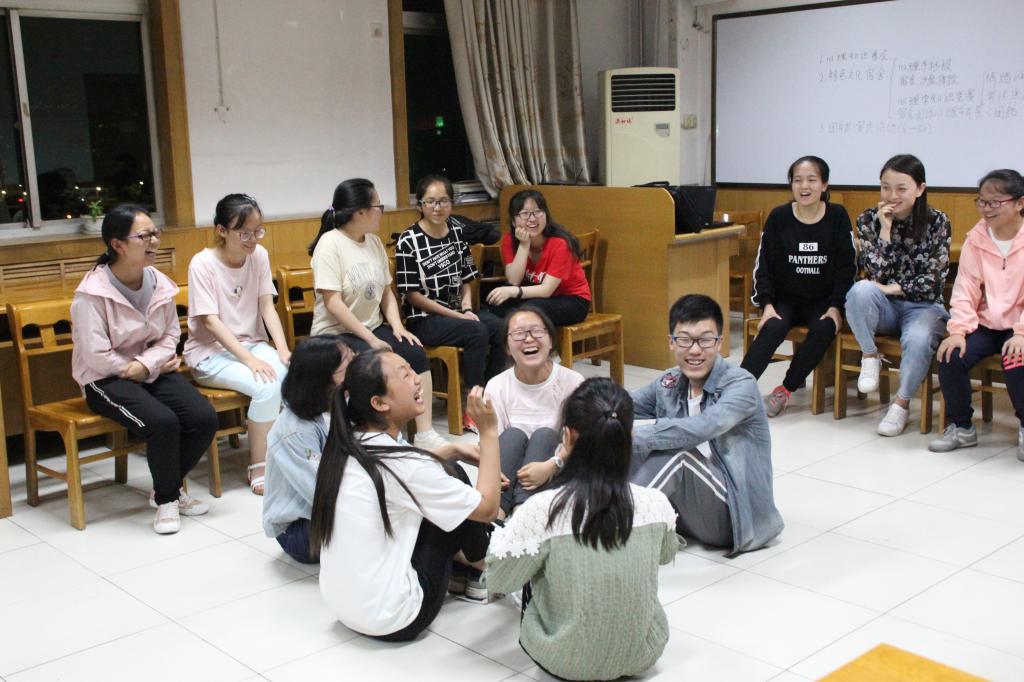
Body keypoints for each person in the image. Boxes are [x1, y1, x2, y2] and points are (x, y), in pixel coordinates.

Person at [486, 377, 678, 681]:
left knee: (531, 561)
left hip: (563, 660)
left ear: (567, 436)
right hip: (643, 653)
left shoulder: (543, 509)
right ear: (629, 434)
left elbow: (498, 579)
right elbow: (666, 555)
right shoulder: (656, 503)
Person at [310, 349, 501, 641]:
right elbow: (487, 508)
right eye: (405, 375)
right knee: (453, 477)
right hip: (397, 619)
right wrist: (488, 433)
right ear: (379, 403)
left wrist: (452, 448)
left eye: (411, 369)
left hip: (343, 607)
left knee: (442, 475)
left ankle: (468, 566)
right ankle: (483, 568)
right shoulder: (406, 465)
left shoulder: (345, 446)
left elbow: (405, 469)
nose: (416, 379)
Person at [71, 204, 218, 534]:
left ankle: (166, 487)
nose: (154, 241)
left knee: (203, 418)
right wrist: (135, 368)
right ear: (117, 244)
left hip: (151, 370)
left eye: (155, 233)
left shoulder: (159, 282)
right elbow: (95, 355)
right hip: (104, 379)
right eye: (144, 235)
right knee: (163, 422)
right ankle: (167, 499)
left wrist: (145, 366)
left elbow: (171, 335)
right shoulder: (91, 294)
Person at [632, 294, 783, 554]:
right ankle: (576, 515)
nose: (694, 350)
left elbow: (704, 426)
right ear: (671, 342)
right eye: (684, 340)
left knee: (676, 452)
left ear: (719, 342)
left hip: (734, 517)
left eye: (705, 340)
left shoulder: (741, 384)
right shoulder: (670, 382)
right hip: (687, 513)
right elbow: (622, 406)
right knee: (607, 434)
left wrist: (634, 436)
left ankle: (610, 534)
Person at [308, 178, 448, 451]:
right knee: (373, 364)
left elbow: (386, 293)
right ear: (360, 212)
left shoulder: (373, 242)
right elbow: (333, 303)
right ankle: (373, 436)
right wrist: (371, 340)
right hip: (336, 332)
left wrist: (397, 327)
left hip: (371, 327)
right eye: (378, 206)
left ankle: (425, 433)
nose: (381, 212)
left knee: (414, 353)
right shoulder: (330, 243)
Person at [184, 193, 291, 495]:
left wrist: (282, 350)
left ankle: (284, 456)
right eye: (244, 233)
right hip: (209, 354)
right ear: (221, 230)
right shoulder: (202, 263)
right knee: (266, 386)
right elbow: (210, 321)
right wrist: (249, 360)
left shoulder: (259, 256)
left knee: (289, 376)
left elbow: (267, 306)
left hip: (252, 344)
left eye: (258, 231)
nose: (252, 240)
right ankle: (260, 465)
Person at [741, 155, 857, 416]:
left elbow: (846, 267)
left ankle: (784, 391)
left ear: (824, 185)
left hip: (823, 301)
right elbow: (763, 264)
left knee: (825, 327)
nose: (804, 186)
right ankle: (735, 393)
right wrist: (767, 304)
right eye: (798, 180)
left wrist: (837, 306)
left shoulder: (837, 216)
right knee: (772, 326)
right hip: (785, 299)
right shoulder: (779, 217)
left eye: (812, 180)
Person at [847, 154, 951, 436]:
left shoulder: (937, 221)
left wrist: (893, 288)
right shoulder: (868, 219)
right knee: (860, 290)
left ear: (920, 189)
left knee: (918, 339)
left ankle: (901, 404)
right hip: (885, 308)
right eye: (885, 187)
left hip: (925, 307)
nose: (892, 196)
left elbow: (933, 279)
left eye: (901, 188)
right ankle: (870, 354)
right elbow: (874, 273)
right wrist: (885, 230)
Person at [395, 174, 506, 431]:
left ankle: (489, 397)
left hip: (458, 312)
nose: (438, 207)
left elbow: (467, 279)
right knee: (476, 331)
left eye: (443, 201)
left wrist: (465, 308)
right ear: (420, 205)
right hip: (424, 319)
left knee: (500, 327)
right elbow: (412, 295)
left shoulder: (457, 233)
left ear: (451, 203)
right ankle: (472, 408)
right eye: (431, 202)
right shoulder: (408, 240)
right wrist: (458, 316)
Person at [930, 169, 1024, 458]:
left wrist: (1021, 334)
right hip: (987, 323)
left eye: (995, 202)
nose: (986, 209)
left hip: (1019, 326)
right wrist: (958, 331)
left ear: (1020, 203)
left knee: (1016, 359)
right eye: (982, 201)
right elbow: (965, 289)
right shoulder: (977, 238)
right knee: (950, 355)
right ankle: (961, 427)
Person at [484, 305, 583, 518]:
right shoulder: (496, 386)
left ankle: (522, 513)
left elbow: (581, 442)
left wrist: (552, 465)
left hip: (556, 470)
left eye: (537, 331)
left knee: (545, 435)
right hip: (508, 473)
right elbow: (490, 443)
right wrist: (494, 473)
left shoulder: (573, 382)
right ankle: (496, 515)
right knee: (512, 435)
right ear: (507, 347)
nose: (529, 339)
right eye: (519, 334)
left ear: (550, 340)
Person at [262, 335, 352, 563]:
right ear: (324, 379)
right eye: (348, 365)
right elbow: (321, 492)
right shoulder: (295, 429)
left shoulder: (345, 401)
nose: (357, 367)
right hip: (300, 528)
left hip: (340, 505)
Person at [485, 189, 592, 326]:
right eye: (524, 214)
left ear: (546, 215)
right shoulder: (509, 241)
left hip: (572, 299)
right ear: (513, 221)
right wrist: (524, 245)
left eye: (538, 212)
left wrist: (514, 291)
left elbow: (547, 290)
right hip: (536, 295)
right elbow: (513, 281)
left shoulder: (560, 244)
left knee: (529, 312)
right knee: (498, 306)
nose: (532, 219)